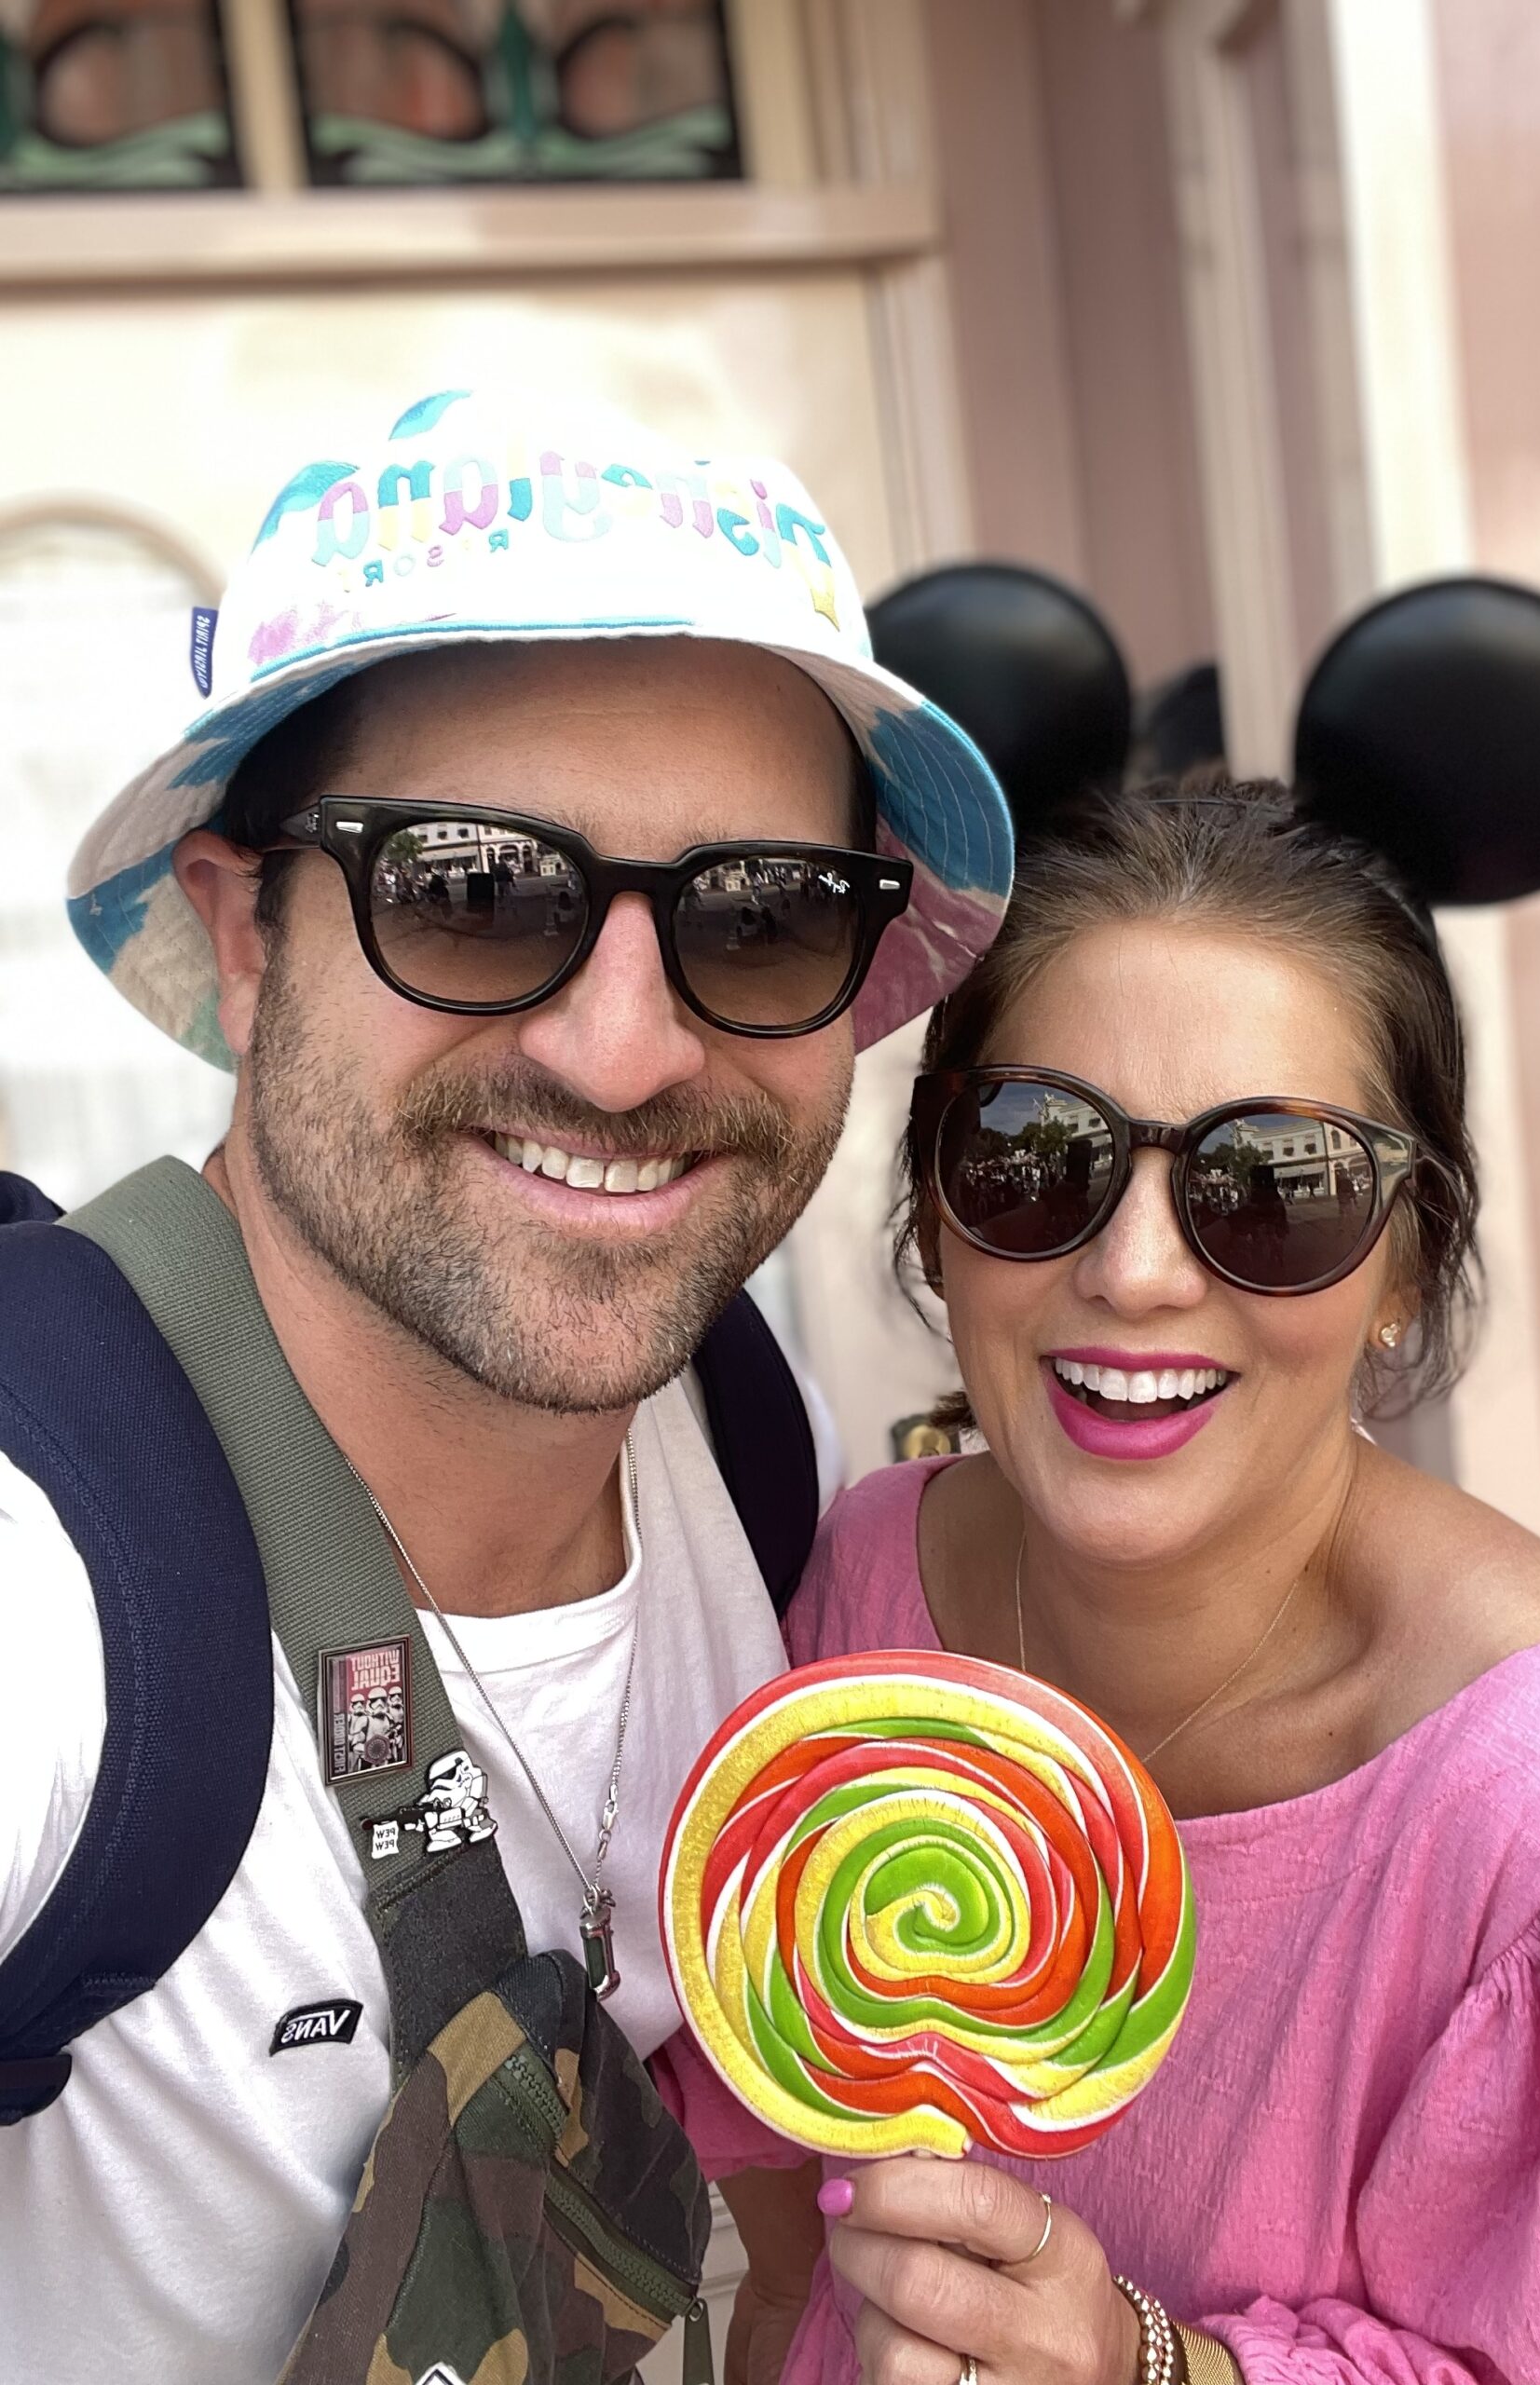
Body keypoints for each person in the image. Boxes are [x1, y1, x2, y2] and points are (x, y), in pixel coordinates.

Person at [0, 388, 1012, 2382]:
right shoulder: (46, 1595)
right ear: (242, 930)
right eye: (473, 890)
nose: (627, 1052)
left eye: (762, 912)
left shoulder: (744, 1434)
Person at [702, 784, 1540, 2383]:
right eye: (1030, 1156)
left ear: (1407, 1263)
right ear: (935, 1218)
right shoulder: (866, 1602)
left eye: (1276, 1184)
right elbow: (787, 2276)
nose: (1136, 1271)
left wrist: (1148, 2367)